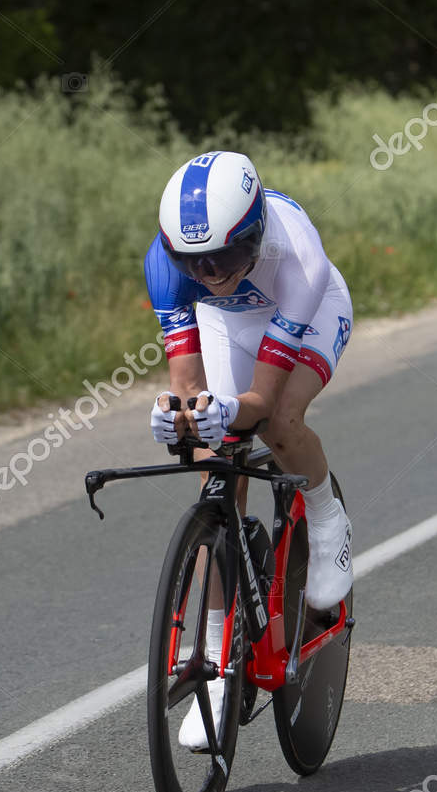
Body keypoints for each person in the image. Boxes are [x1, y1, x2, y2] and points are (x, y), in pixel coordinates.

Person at [145, 151, 353, 749]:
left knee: (279, 422)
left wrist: (235, 411)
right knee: (215, 454)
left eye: (227, 256)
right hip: (230, 323)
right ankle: (212, 662)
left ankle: (327, 518)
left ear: (256, 233)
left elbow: (260, 399)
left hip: (303, 313)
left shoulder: (297, 257)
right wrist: (178, 417)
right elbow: (185, 383)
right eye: (195, 262)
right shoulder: (166, 265)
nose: (210, 272)